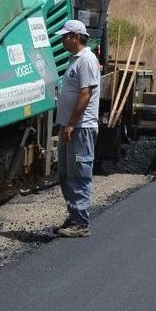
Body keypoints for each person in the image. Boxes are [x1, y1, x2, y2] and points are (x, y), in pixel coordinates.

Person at [53, 19, 101, 238]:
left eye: (65, 36)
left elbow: (85, 93)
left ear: (75, 37)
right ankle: (74, 215)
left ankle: (81, 222)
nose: (62, 40)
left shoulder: (87, 60)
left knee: (79, 173)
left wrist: (72, 123)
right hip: (69, 126)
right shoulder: (75, 60)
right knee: (65, 173)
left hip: (81, 127)